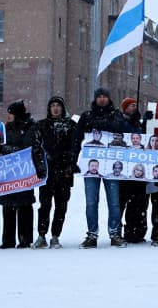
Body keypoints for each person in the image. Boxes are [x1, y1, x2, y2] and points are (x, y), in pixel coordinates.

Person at [77, 87, 127, 248]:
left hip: (112, 166)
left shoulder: (116, 114)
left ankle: (115, 233)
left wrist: (98, 123)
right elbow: (76, 138)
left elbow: (118, 128)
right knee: (91, 202)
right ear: (95, 98)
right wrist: (72, 160)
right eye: (99, 96)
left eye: (105, 96)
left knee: (114, 203)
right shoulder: (86, 115)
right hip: (90, 167)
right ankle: (92, 234)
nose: (102, 99)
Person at [0, 100, 46, 249]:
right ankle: (8, 240)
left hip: (24, 172)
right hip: (9, 173)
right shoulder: (6, 129)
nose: (8, 116)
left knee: (24, 205)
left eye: (10, 113)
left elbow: (25, 149)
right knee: (8, 205)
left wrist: (5, 149)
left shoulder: (30, 128)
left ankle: (25, 239)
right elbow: (1, 145)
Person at [35, 96, 77, 249]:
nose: (55, 108)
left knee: (61, 206)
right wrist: (40, 167)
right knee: (44, 205)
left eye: (58, 105)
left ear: (62, 108)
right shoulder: (41, 125)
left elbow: (75, 148)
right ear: (49, 108)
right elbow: (36, 148)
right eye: (52, 105)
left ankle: (55, 236)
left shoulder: (71, 125)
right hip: (47, 173)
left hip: (64, 173)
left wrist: (70, 166)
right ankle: (41, 235)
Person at [118, 97, 149, 245]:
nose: (133, 107)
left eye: (135, 105)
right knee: (127, 202)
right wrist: (132, 123)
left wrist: (146, 123)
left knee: (140, 202)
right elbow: (126, 134)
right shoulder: (121, 121)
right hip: (126, 171)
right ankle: (128, 231)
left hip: (141, 170)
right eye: (130, 106)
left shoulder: (139, 122)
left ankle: (139, 230)